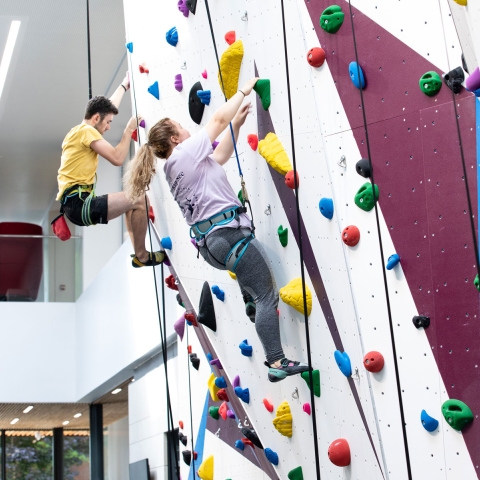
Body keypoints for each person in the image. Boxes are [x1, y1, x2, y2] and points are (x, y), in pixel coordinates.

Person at [123, 77, 310, 382]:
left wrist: (236, 125)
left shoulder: (178, 167)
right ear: (173, 138)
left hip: (215, 243)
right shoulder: (183, 154)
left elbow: (220, 156)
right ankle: (276, 361)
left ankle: (250, 300)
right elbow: (217, 119)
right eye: (181, 127)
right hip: (228, 234)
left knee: (256, 287)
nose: (186, 129)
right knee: (267, 295)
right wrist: (242, 91)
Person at [55, 73, 164, 268]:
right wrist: (128, 130)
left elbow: (107, 108)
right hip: (79, 205)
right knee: (140, 200)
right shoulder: (87, 131)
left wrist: (123, 85)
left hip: (74, 205)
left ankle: (139, 253)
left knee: (132, 201)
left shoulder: (77, 130)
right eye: (108, 123)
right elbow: (116, 158)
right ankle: (142, 256)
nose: (108, 127)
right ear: (96, 118)